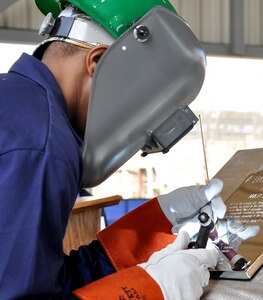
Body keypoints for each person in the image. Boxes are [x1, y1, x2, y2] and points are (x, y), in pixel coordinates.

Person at [0, 0, 226, 299]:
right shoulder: (42, 145)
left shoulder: (17, 105)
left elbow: (43, 278)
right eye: (139, 102)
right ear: (97, 63)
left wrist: (154, 225)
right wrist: (147, 292)